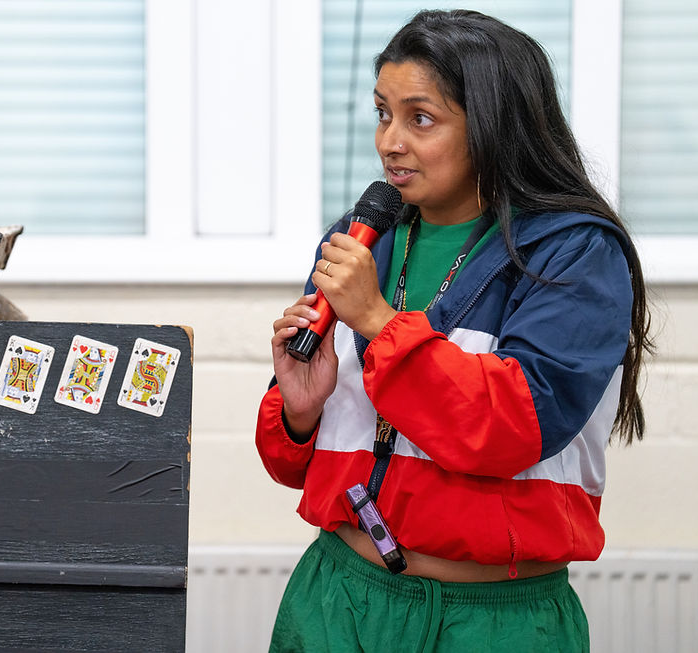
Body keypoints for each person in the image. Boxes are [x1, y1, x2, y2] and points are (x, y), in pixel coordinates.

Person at [255, 9, 652, 652]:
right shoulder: (364, 239)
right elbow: (295, 463)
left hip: (491, 621)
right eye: (383, 113)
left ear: (496, 128)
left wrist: (378, 322)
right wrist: (299, 411)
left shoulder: (575, 252)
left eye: (421, 118)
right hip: (337, 598)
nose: (390, 142)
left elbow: (507, 426)